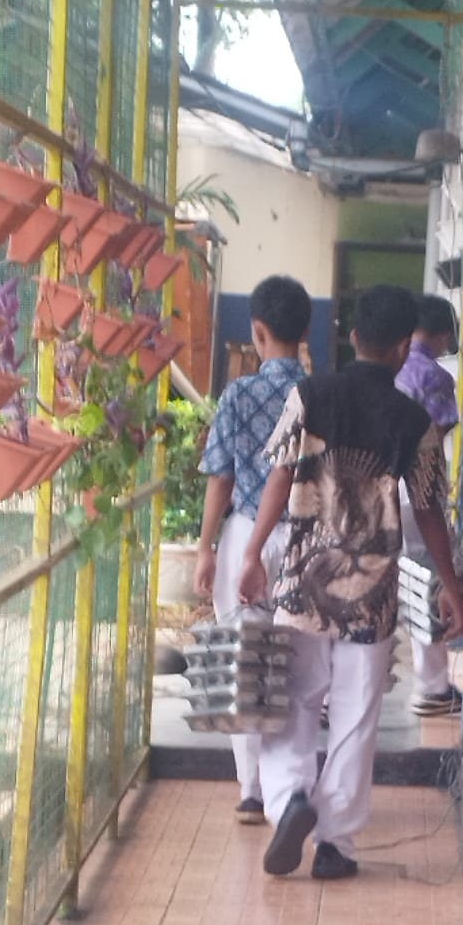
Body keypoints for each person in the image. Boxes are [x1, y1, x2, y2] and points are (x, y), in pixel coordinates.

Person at [238, 284, 463, 882]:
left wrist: (253, 552)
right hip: (372, 592)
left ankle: (289, 798)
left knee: (296, 697)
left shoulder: (309, 396)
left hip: (303, 580)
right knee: (356, 712)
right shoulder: (413, 421)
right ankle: (334, 842)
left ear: (353, 337)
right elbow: (428, 510)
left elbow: (279, 477)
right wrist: (449, 585)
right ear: (403, 347)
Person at [193, 274, 312, 823]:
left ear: (257, 331)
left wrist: (205, 548)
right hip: (305, 539)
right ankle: (291, 788)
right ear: (304, 332)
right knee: (295, 663)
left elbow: (220, 477)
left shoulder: (239, 394)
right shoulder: (318, 394)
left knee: (243, 658)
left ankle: (251, 789)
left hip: (246, 533)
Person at [394, 293, 463, 716]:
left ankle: (332, 694)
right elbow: (436, 435)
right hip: (417, 490)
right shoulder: (435, 376)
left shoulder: (391, 365)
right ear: (442, 336)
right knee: (428, 581)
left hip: (381, 489)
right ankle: (434, 686)